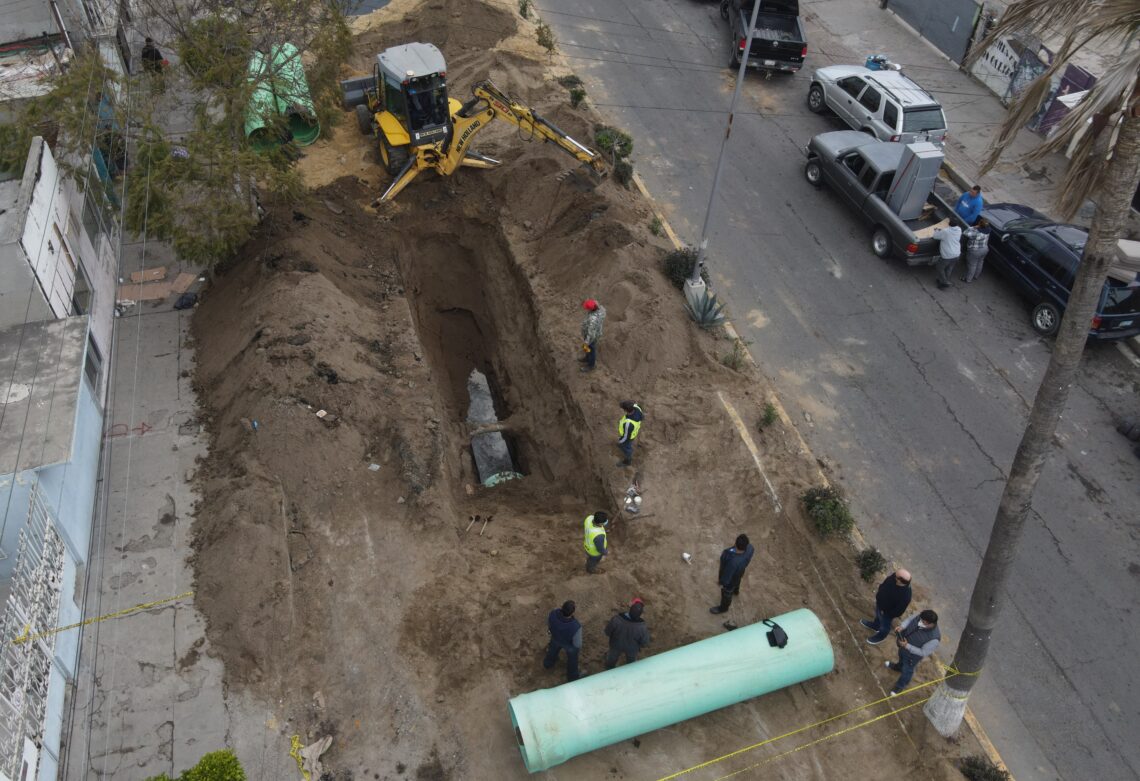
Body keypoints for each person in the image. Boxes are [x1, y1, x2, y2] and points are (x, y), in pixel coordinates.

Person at [885, 609, 941, 695]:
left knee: (907, 670)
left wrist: (907, 646)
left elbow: (923, 652)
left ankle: (900, 686)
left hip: (912, 656)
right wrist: (902, 627)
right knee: (901, 658)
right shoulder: (920, 616)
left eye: (922, 621)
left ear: (929, 623)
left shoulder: (934, 638)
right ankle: (898, 667)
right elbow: (909, 620)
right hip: (903, 646)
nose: (920, 621)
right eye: (920, 619)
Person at [860, 568, 912, 645]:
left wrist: (887, 613)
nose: (894, 575)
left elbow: (899, 610)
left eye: (896, 576)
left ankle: (881, 636)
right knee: (877, 616)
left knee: (885, 626)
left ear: (900, 580)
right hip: (880, 604)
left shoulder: (906, 596)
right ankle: (875, 626)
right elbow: (884, 583)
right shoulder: (894, 577)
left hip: (887, 613)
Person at [710, 534, 754, 614]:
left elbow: (726, 577)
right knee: (737, 581)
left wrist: (721, 582)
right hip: (740, 571)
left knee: (727, 591)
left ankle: (723, 608)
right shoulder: (750, 548)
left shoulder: (732, 561)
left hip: (731, 578)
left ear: (735, 544)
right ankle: (736, 591)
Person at [604, 598, 650, 669]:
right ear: (640, 614)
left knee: (611, 659)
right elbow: (644, 642)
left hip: (616, 645)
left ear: (630, 608)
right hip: (631, 649)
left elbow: (607, 632)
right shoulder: (642, 627)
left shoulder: (616, 620)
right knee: (631, 664)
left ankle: (609, 668)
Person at [543, 600, 583, 682]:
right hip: (568, 644)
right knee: (573, 656)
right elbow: (577, 644)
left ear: (562, 607)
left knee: (552, 650)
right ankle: (573, 677)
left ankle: (548, 664)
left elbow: (549, 624)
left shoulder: (553, 613)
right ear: (572, 613)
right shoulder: (576, 626)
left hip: (555, 638)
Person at [933, 223, 963, 290]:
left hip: (947, 255)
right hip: (957, 253)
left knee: (939, 268)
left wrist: (936, 231)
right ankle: (944, 280)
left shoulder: (946, 231)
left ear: (949, 223)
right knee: (949, 268)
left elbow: (935, 236)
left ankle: (944, 282)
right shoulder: (959, 229)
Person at [579, 298, 606, 372]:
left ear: (591, 309)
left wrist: (586, 342)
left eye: (587, 308)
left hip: (592, 336)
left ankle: (591, 365)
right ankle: (587, 358)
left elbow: (591, 333)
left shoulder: (593, 320)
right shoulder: (601, 309)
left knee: (591, 349)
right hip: (597, 332)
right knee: (589, 349)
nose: (586, 310)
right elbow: (596, 303)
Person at [962, 218, 991, 283]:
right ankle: (976, 276)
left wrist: (972, 227)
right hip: (985, 248)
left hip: (975, 251)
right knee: (980, 262)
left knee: (972, 265)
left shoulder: (976, 233)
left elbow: (965, 233)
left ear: (979, 224)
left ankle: (968, 279)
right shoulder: (988, 230)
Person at [616, 400, 644, 467]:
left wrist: (621, 441)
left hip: (629, 437)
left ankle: (627, 461)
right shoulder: (636, 407)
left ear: (626, 410)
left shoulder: (628, 424)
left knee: (627, 447)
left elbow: (626, 437)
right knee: (624, 443)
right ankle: (623, 446)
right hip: (632, 432)